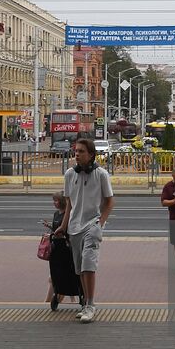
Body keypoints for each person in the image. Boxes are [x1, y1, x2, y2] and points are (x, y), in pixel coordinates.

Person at [56, 137, 114, 323]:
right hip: (74, 227)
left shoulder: (101, 174)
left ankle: (90, 304)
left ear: (91, 155)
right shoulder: (69, 175)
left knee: (89, 264)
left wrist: (100, 223)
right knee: (80, 268)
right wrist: (63, 227)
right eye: (76, 151)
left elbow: (110, 201)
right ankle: (85, 303)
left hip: (92, 225)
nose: (77, 154)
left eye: (81, 151)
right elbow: (70, 205)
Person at [43, 192, 83, 310]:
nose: (54, 203)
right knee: (56, 273)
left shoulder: (68, 214)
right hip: (57, 249)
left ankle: (75, 294)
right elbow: (57, 229)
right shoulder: (56, 214)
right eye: (53, 200)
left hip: (66, 249)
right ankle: (60, 294)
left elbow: (67, 230)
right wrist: (50, 230)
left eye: (56, 200)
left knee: (69, 272)